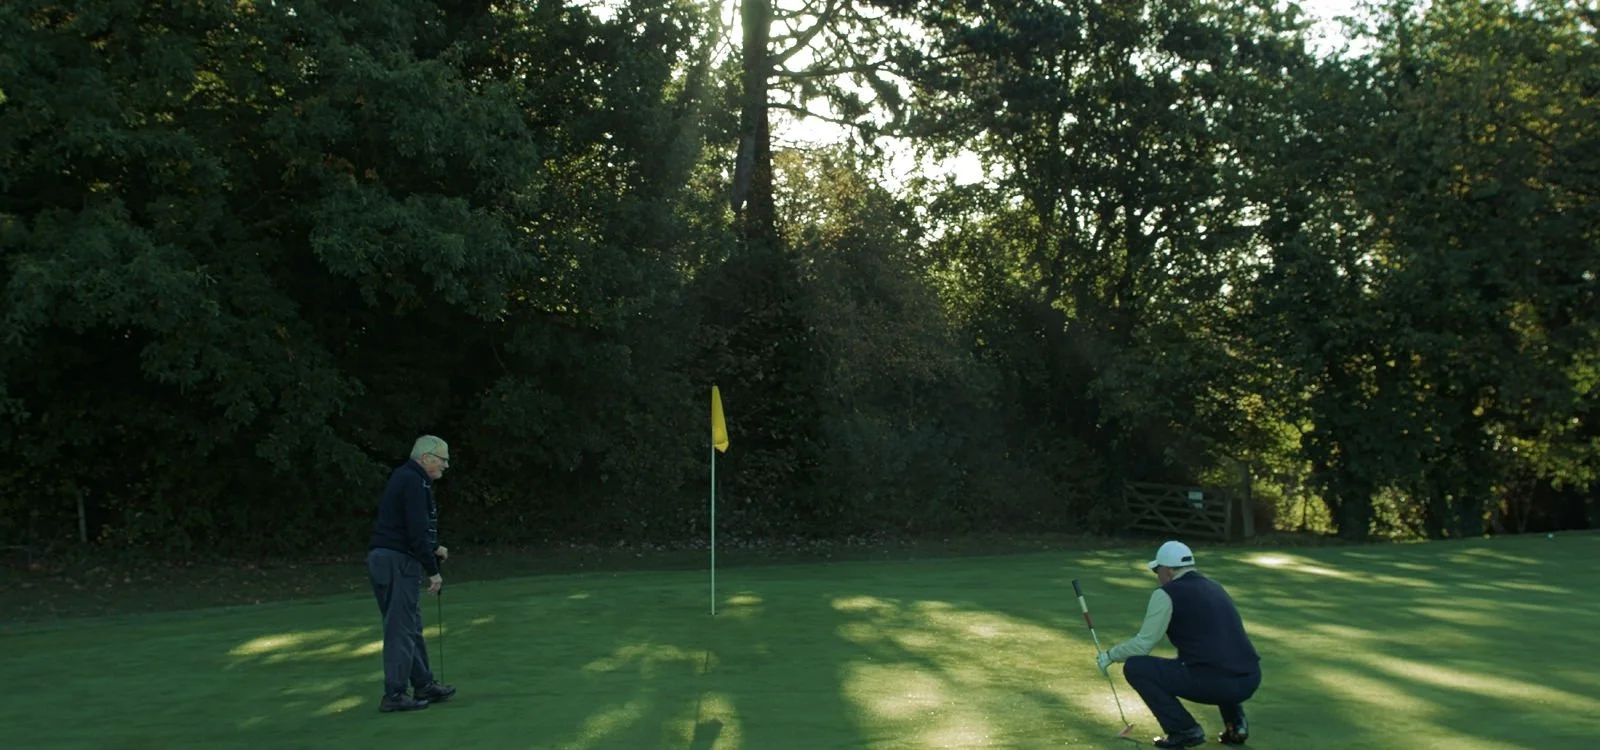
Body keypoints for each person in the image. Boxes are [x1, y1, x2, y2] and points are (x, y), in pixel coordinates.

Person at [1095, 541, 1261, 748]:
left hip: (1218, 684)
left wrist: (1110, 655)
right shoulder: (1214, 587)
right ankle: (1236, 725)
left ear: (1166, 571)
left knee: (1137, 667)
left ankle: (1184, 730)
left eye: (1157, 571)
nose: (1157, 576)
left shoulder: (1166, 593)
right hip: (1249, 679)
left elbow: (1143, 645)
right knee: (1214, 660)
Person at [366, 435, 458, 712]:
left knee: (409, 624)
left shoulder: (408, 477)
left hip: (387, 558)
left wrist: (434, 547)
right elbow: (416, 530)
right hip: (396, 561)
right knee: (401, 628)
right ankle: (394, 694)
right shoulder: (414, 481)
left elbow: (410, 526)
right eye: (442, 460)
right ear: (426, 457)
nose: (446, 465)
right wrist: (433, 571)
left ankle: (423, 683)